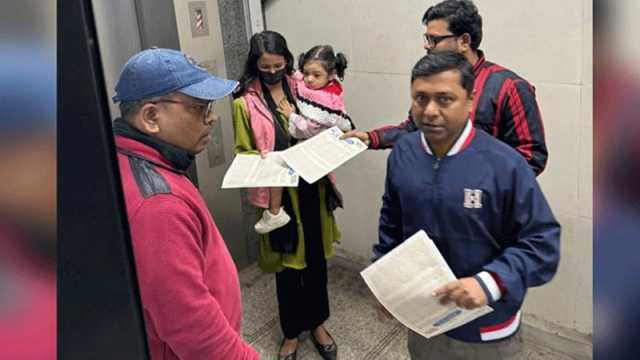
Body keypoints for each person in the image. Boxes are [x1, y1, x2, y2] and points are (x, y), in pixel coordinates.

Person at [373, 51, 560, 359]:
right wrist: (388, 284)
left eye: (444, 99)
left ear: (471, 100)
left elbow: (542, 244)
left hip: (486, 330)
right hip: (425, 322)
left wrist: (489, 283)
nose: (430, 110)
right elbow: (391, 222)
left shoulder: (505, 164)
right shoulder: (404, 152)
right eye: (420, 98)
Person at [111, 48, 259, 360]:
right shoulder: (158, 205)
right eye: (199, 108)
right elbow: (193, 328)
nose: (212, 117)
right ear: (151, 117)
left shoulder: (132, 159)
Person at [232, 31, 342, 360]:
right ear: (255, 65)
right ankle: (292, 332)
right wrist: (264, 160)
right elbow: (244, 152)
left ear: (287, 62)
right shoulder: (244, 101)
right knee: (288, 268)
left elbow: (328, 119)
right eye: (264, 67)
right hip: (279, 195)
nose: (272, 73)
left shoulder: (302, 85)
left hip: (313, 184)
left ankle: (318, 324)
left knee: (317, 263)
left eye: (278, 65)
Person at [343, 0, 548, 176]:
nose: (427, 45)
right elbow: (413, 129)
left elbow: (531, 156)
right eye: (427, 38)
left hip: (484, 211)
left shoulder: (509, 87)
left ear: (464, 41)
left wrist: (483, 186)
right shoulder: (434, 82)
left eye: (434, 39)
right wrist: (371, 138)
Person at [254, 44, 353, 234]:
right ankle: (275, 213)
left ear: (331, 74)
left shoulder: (325, 100)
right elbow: (298, 75)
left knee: (312, 223)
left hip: (313, 156)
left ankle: (274, 213)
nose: (308, 79)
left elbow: (308, 129)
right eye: (306, 73)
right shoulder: (319, 86)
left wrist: (292, 115)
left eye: (316, 75)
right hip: (308, 155)